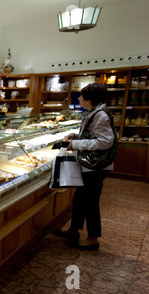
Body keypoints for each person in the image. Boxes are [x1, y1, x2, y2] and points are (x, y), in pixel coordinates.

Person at [53, 83, 115, 250]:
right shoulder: (93, 113)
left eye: (81, 96)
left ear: (89, 100)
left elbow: (105, 141)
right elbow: (93, 135)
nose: (79, 98)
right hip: (90, 166)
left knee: (90, 202)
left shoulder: (100, 115)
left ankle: (93, 238)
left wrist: (77, 143)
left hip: (96, 167)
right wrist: (76, 136)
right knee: (80, 199)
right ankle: (74, 229)